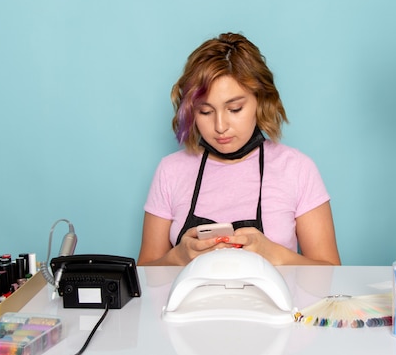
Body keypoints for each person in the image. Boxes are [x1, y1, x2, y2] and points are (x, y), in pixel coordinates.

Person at [137, 32, 340, 266]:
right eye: (205, 111)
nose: (220, 126)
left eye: (234, 109)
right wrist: (178, 256)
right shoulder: (170, 170)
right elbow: (144, 275)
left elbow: (331, 273)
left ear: (260, 101)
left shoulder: (297, 169)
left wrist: (274, 253)